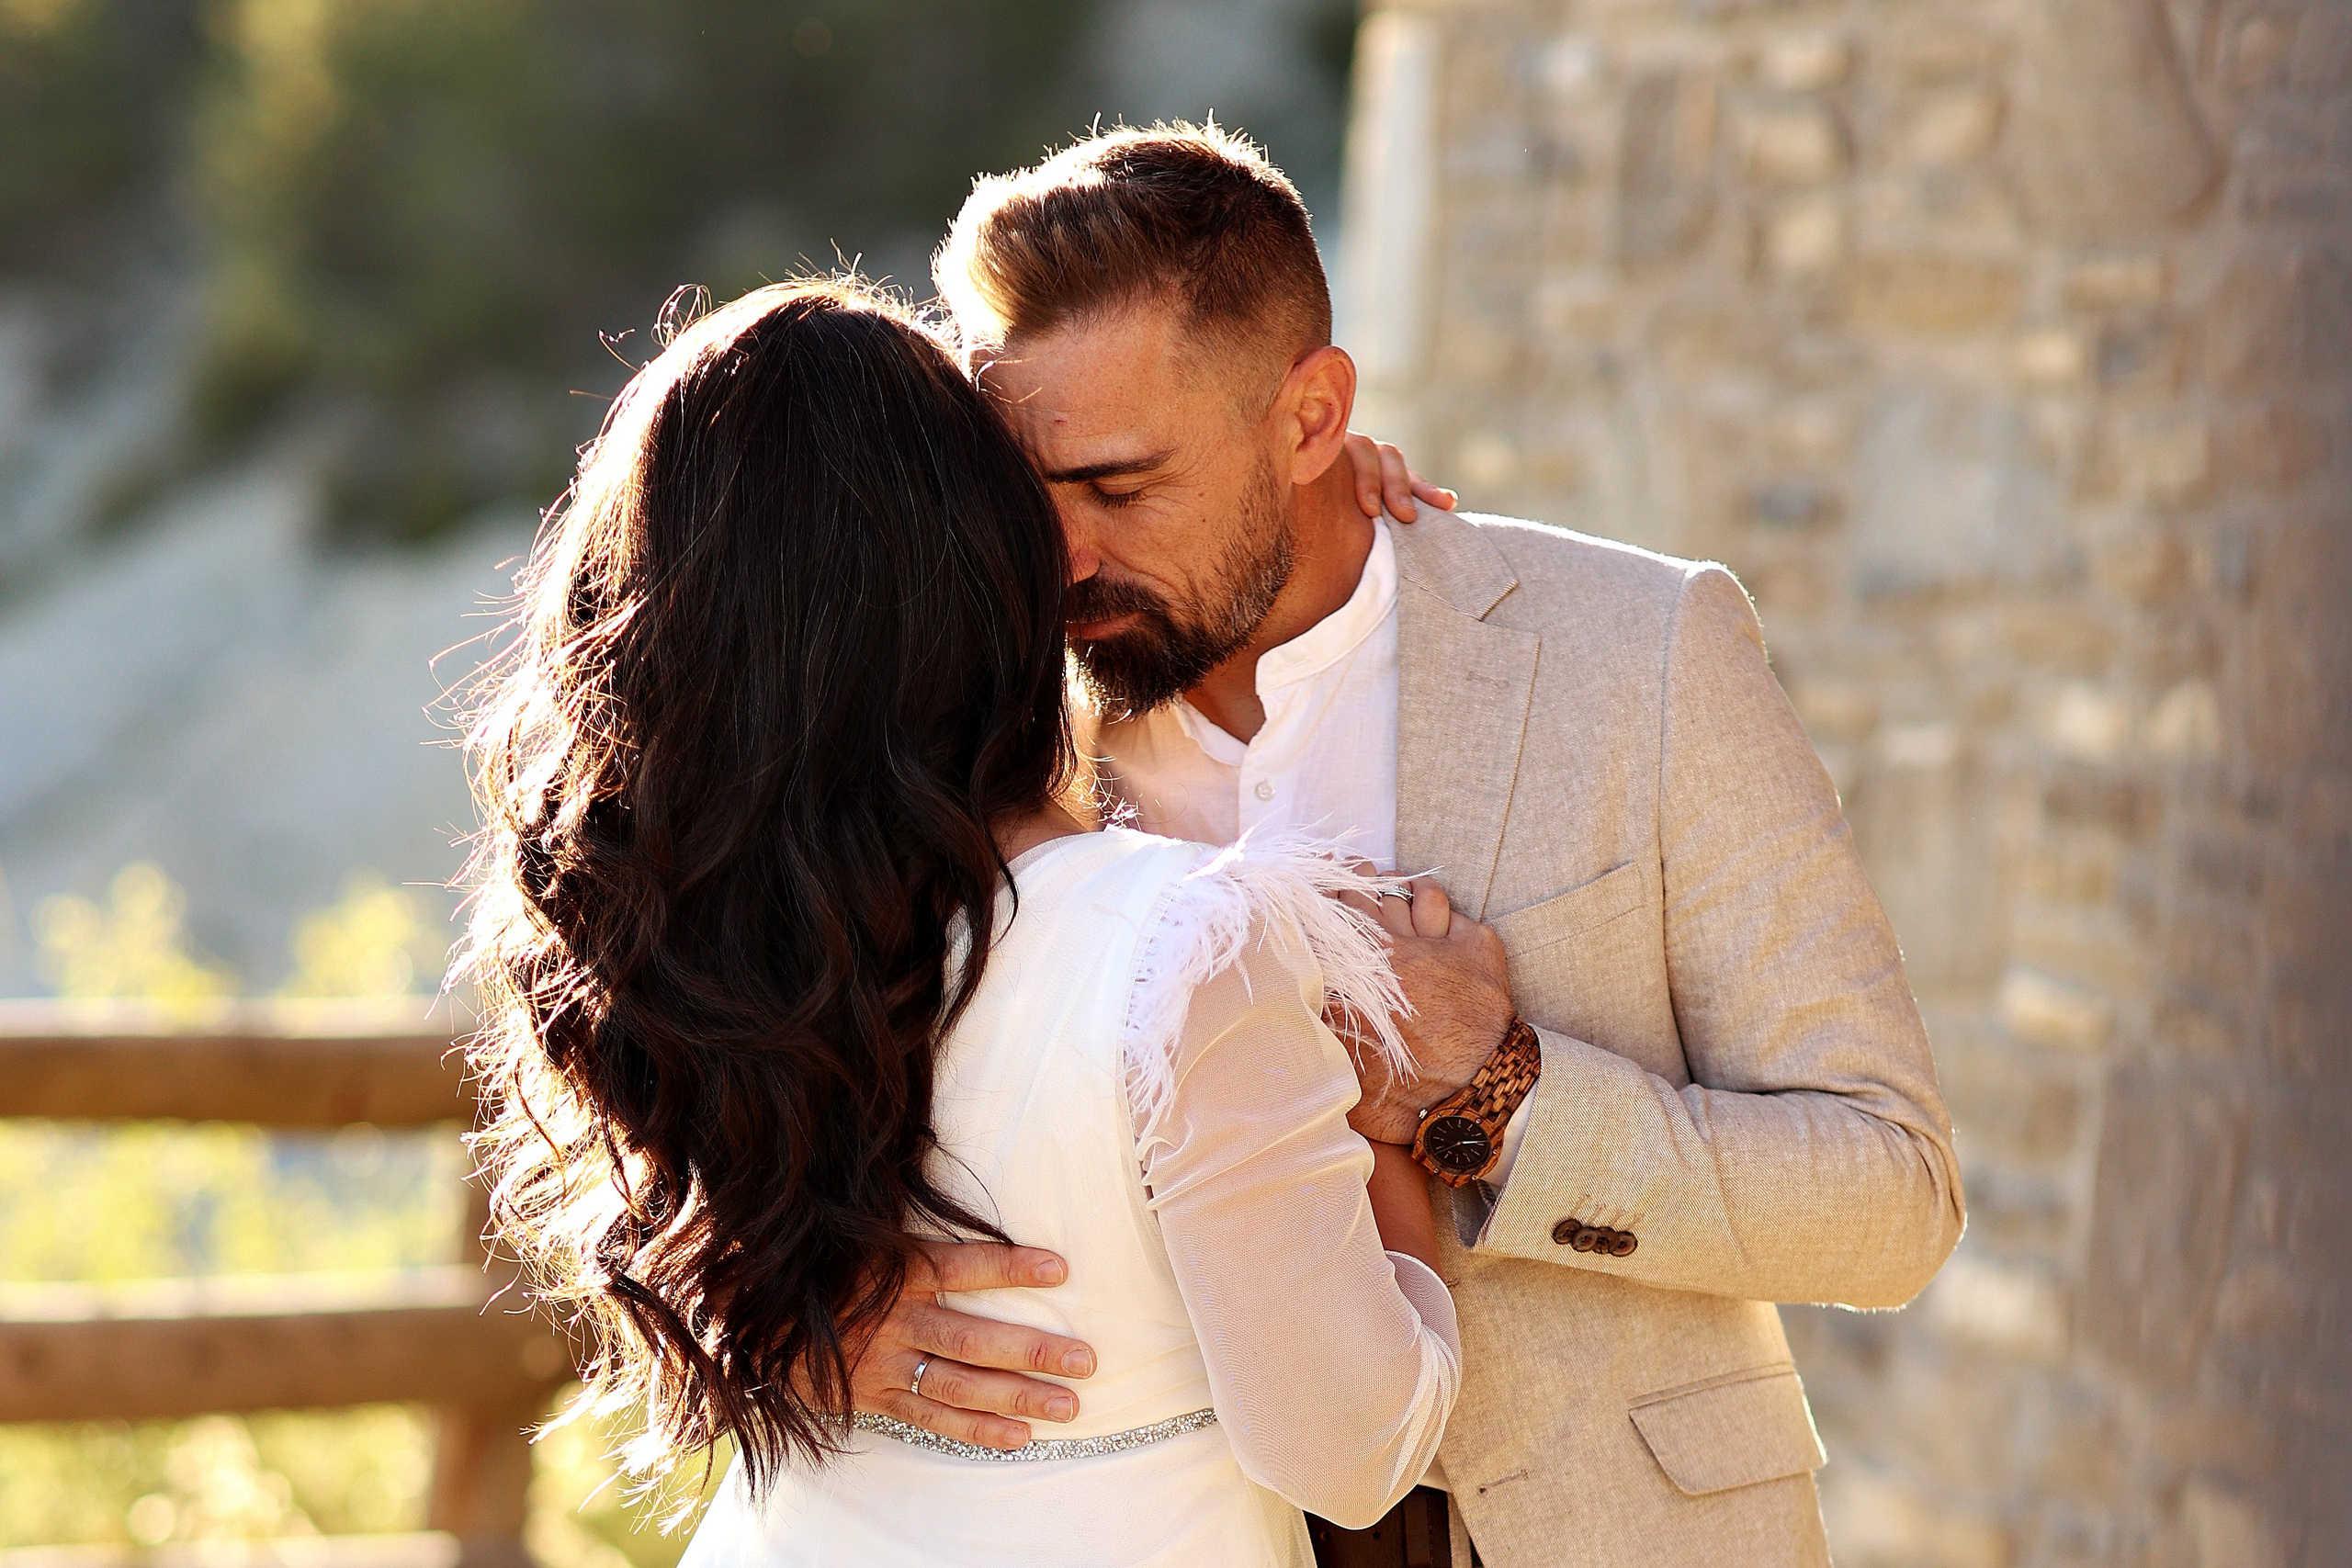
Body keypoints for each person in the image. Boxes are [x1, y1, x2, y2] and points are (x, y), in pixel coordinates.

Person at [865, 123, 1968, 1567]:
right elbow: (699, 1055)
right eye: (1028, 495)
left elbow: (1891, 1195)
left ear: (1312, 418)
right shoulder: (964, 721)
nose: (1061, 560)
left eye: (1122, 490)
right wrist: (808, 1324)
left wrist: (1493, 1089)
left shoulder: (1639, 652)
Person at [457, 278, 1463, 1567]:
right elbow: (1354, 1453)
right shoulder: (1192, 951)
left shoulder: (726, 952)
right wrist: (1389, 1135)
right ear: (983, 574)